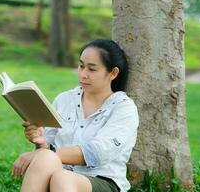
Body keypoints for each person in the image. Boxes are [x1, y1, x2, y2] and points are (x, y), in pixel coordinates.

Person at [11, 39, 139, 192]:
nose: (83, 74)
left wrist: (43, 154)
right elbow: (48, 149)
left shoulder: (123, 108)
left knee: (61, 175)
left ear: (113, 73)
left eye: (92, 69)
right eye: (81, 66)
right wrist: (41, 144)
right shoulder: (64, 99)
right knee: (48, 160)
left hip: (101, 180)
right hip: (59, 176)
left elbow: (97, 153)